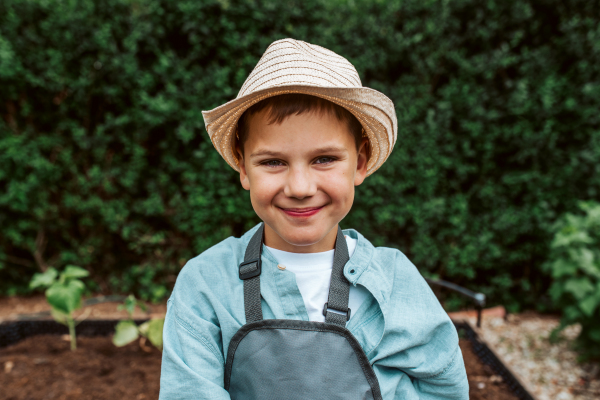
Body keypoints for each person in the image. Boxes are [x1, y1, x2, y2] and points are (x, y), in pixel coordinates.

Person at [159, 38, 469, 400]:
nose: (300, 187)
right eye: (273, 162)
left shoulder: (394, 282)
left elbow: (443, 388)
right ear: (243, 168)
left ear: (361, 162)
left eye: (324, 159)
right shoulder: (205, 285)